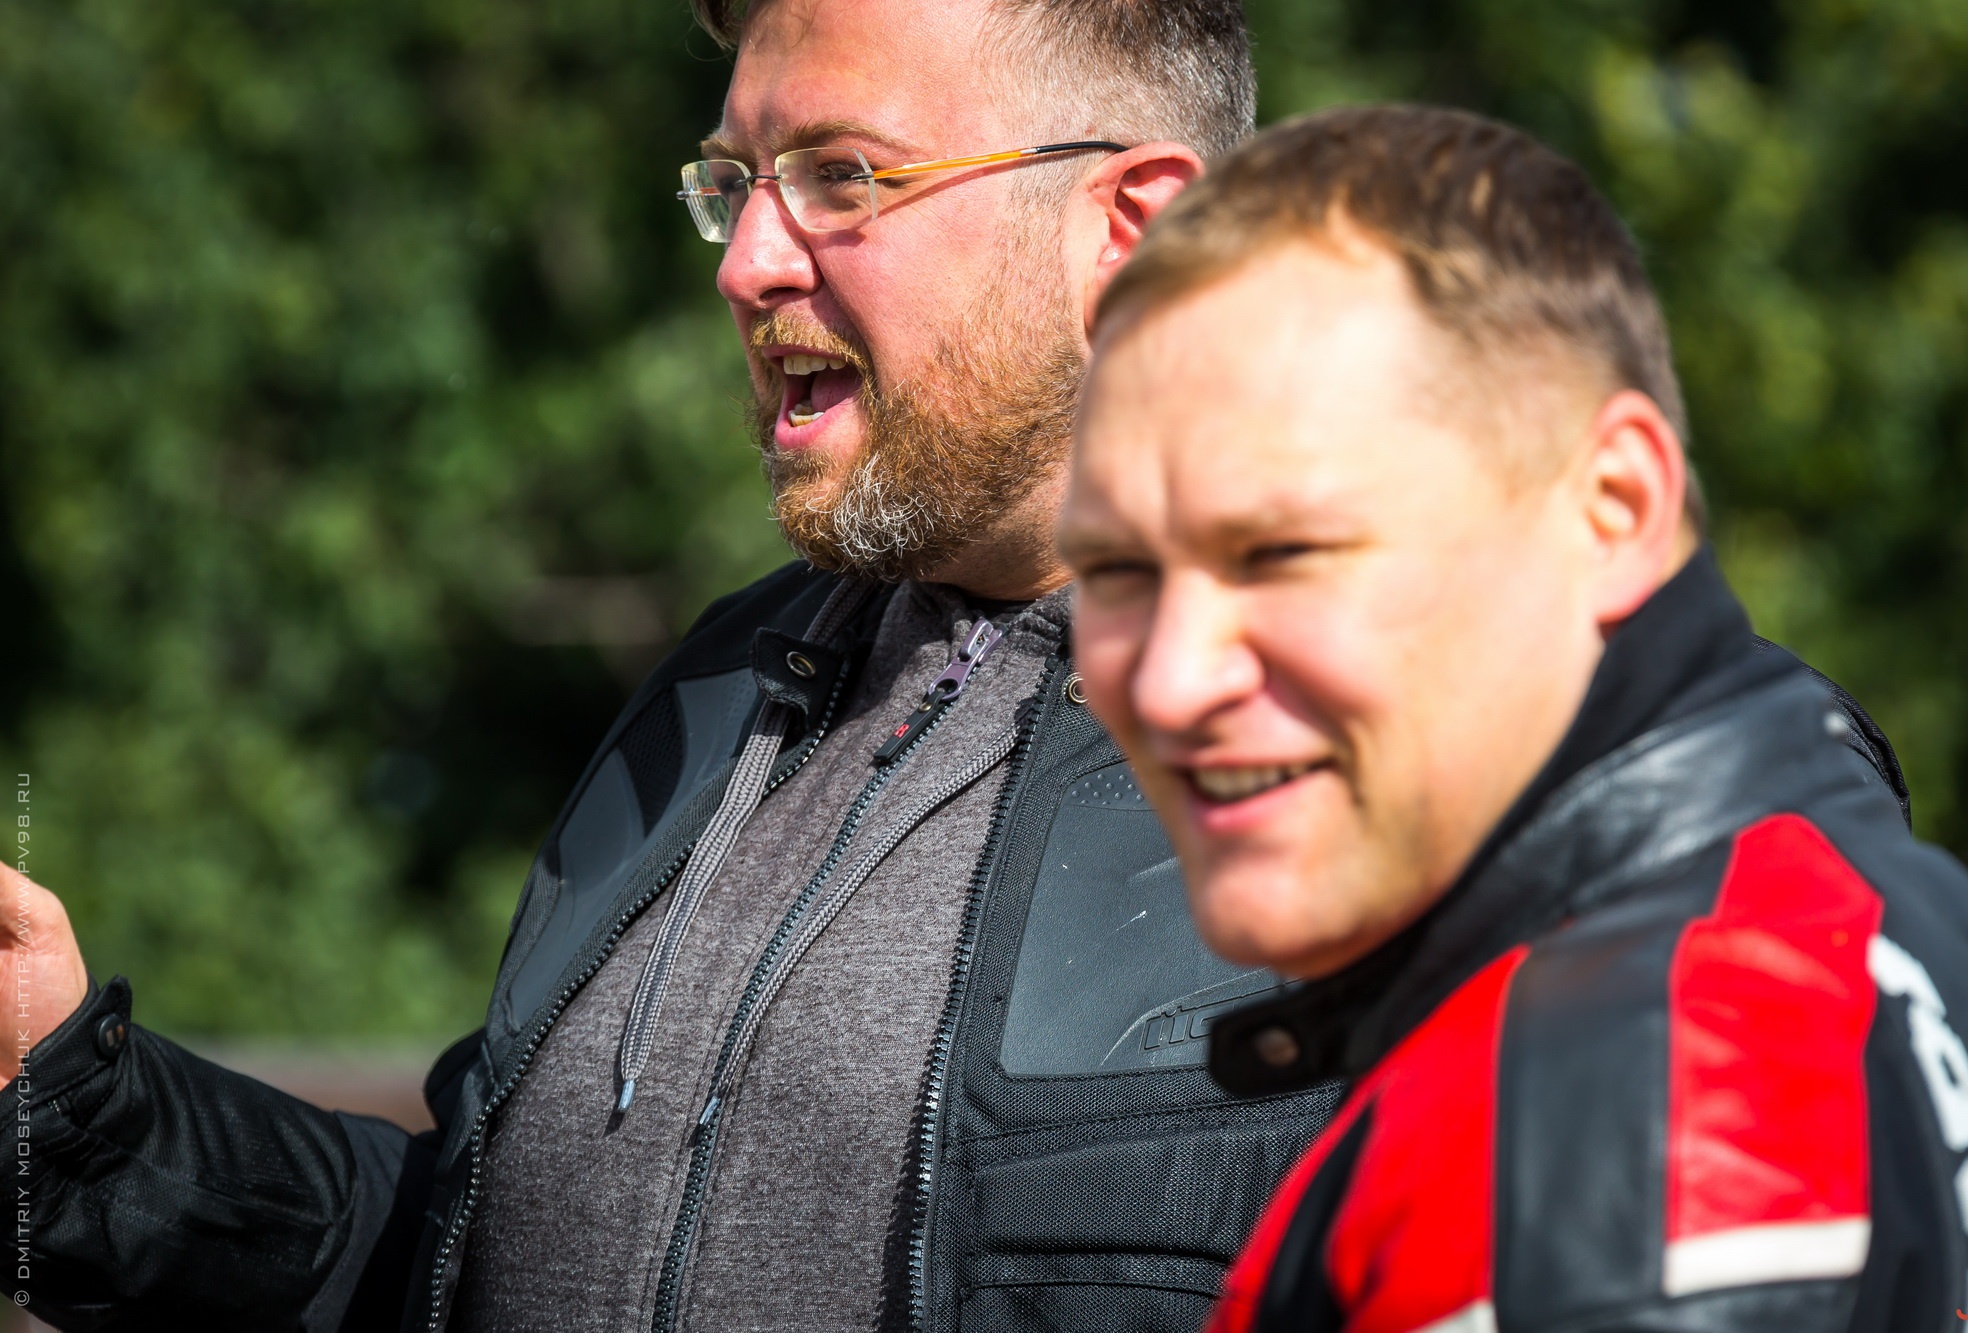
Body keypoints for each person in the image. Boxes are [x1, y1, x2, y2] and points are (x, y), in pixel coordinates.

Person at [7, 2, 1356, 1330]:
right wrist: (68, 1113)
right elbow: (466, 1259)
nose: (746, 264)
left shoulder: (1381, 774)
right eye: (736, 183)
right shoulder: (727, 684)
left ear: (1131, 230)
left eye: (843, 176)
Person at [1062, 102, 1968, 1332]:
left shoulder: (1637, 1075)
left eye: (1282, 552)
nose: (1168, 679)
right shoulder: (1855, 908)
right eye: (1115, 570)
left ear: (1611, 509)